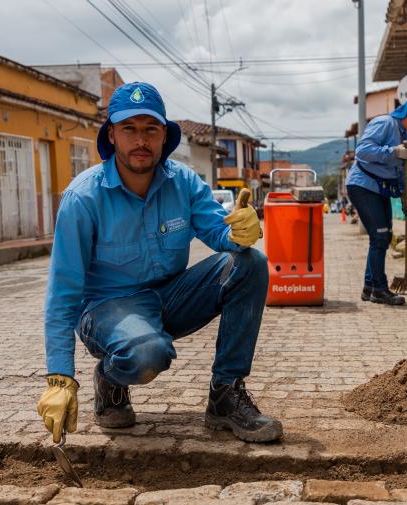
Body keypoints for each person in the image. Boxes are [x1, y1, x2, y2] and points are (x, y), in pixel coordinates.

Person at [37, 82, 282, 444]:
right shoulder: (83, 198)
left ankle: (225, 395)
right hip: (107, 311)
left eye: (150, 130)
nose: (141, 140)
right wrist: (60, 377)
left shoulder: (183, 182)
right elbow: (62, 292)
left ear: (164, 135)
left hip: (169, 298)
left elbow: (218, 230)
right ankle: (110, 377)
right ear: (112, 135)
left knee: (249, 263)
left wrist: (239, 233)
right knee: (147, 354)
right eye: (129, 130)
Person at [345, 96, 407, 306]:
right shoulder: (384, 123)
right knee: (380, 235)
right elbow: (362, 151)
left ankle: (369, 287)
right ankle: (379, 289)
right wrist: (392, 151)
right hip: (363, 184)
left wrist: (405, 198)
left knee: (384, 235)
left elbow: (401, 171)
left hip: (381, 189)